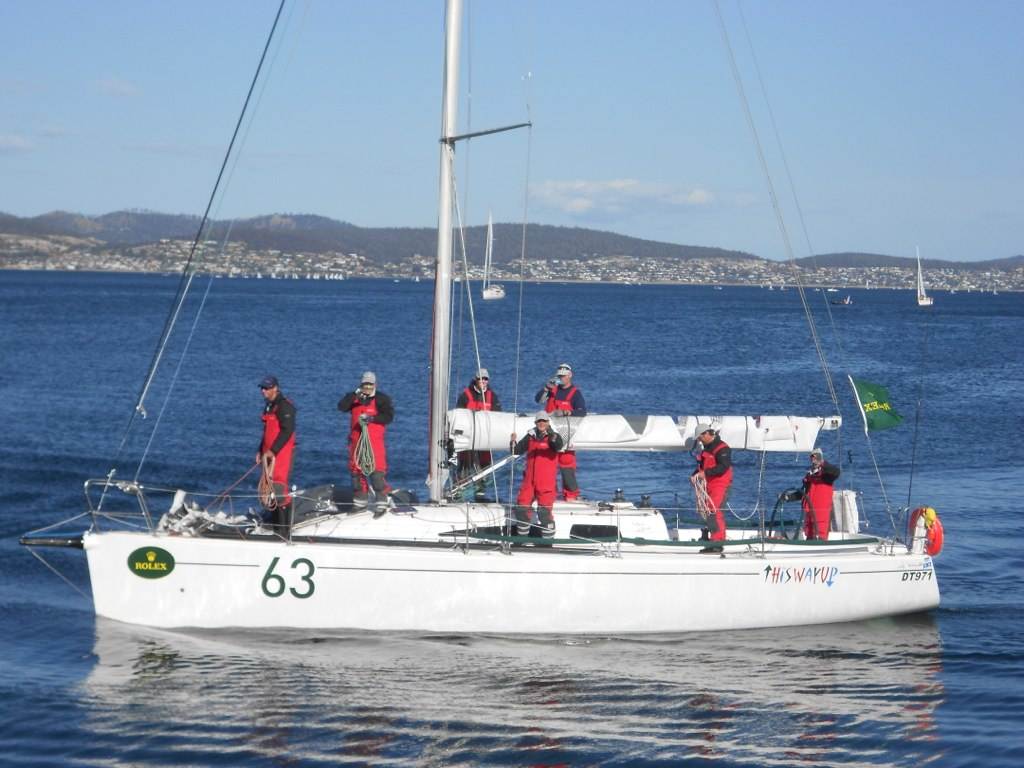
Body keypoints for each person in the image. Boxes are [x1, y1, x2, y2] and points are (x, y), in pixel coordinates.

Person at [337, 371, 394, 511]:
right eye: (365, 385)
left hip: (374, 443)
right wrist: (354, 395)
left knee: (377, 473)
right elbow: (341, 407)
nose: (367, 387)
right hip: (356, 443)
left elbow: (388, 417)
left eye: (370, 384)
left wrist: (372, 418)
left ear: (375, 384)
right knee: (356, 473)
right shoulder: (354, 398)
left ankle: (382, 502)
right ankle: (360, 502)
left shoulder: (381, 399)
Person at [535, 362, 586, 500]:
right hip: (548, 434)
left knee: (567, 465)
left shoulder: (575, 393)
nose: (561, 378)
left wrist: (566, 412)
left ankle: (571, 496)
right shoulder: (552, 389)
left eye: (563, 376)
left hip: (566, 436)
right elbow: (538, 400)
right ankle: (547, 495)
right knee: (545, 466)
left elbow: (582, 411)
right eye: (559, 376)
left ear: (570, 375)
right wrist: (546, 388)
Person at [510, 412, 565, 538]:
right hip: (529, 481)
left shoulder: (554, 436)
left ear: (548, 422)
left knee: (544, 513)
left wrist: (551, 436)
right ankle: (521, 540)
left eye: (544, 421)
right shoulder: (530, 436)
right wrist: (512, 442)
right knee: (521, 509)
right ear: (535, 423)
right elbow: (516, 451)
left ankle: (547, 542)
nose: (541, 423)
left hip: (546, 482)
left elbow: (558, 446)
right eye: (539, 421)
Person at [257, 375, 296, 535]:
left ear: (275, 388)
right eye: (262, 388)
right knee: (269, 490)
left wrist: (273, 450)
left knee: (279, 490)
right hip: (268, 454)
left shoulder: (285, 406)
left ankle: (284, 531)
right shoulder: (269, 406)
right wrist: (260, 450)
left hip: (281, 454)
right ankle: (275, 528)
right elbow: (266, 432)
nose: (263, 391)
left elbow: (288, 430)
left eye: (266, 388)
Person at [456, 367, 502, 500]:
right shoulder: (465, 395)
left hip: (484, 439)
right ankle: (459, 492)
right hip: (468, 438)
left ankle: (480, 494)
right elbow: (458, 415)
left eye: (486, 379)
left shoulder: (492, 396)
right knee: (464, 466)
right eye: (481, 379)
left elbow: (498, 416)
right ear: (476, 379)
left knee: (484, 466)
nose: (483, 381)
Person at [691, 424, 732, 549]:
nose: (699, 441)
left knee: (714, 511)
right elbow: (702, 466)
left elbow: (723, 467)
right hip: (709, 485)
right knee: (708, 511)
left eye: (700, 438)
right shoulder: (706, 449)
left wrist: (705, 473)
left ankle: (718, 542)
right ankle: (713, 538)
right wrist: (694, 475)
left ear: (707, 434)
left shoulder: (722, 448)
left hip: (721, 484)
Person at [799, 447, 841, 540]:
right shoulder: (809, 476)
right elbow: (803, 493)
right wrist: (788, 497)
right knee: (809, 538)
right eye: (812, 458)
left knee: (819, 538)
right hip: (810, 515)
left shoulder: (826, 475)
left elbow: (836, 472)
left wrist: (822, 463)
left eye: (816, 458)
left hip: (821, 517)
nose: (814, 460)